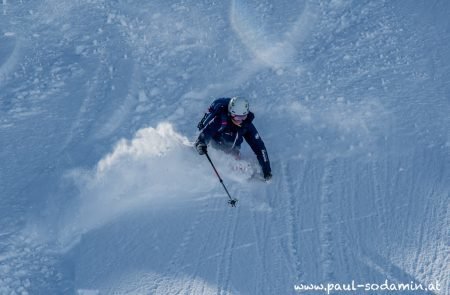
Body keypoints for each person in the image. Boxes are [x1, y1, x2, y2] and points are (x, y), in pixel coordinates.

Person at [195, 96, 272, 181]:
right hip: (214, 149)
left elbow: (259, 147)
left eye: (243, 117)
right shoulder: (220, 120)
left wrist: (267, 170)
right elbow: (206, 133)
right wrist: (201, 143)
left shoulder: (246, 125)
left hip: (233, 153)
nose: (240, 120)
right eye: (237, 117)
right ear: (231, 114)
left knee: (242, 170)